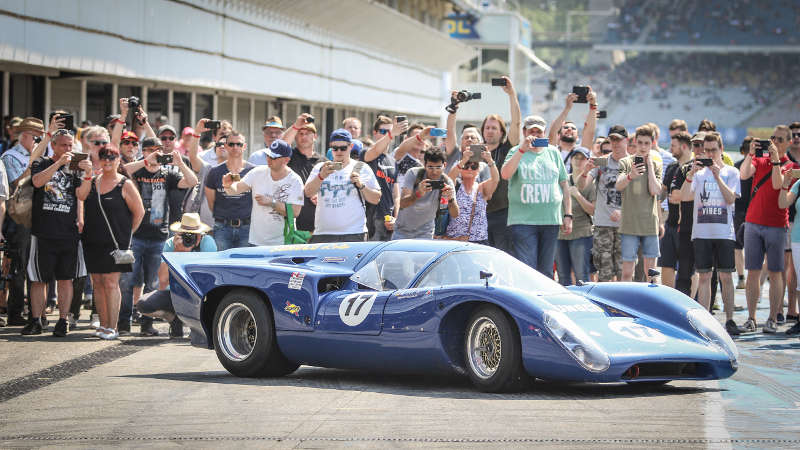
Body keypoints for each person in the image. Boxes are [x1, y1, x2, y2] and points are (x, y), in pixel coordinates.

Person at [121, 136, 198, 335]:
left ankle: (146, 325)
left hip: (158, 236)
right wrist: (146, 161)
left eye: (158, 150)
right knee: (128, 282)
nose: (155, 153)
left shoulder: (168, 173)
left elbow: (192, 181)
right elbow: (122, 170)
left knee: (153, 284)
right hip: (136, 235)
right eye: (149, 149)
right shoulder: (137, 171)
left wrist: (179, 162)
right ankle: (123, 324)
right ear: (143, 152)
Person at [21, 129, 92, 336]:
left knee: (65, 279)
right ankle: (36, 320)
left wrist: (88, 175)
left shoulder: (76, 167)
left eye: (70, 146)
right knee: (38, 279)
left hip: (68, 233)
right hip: (43, 232)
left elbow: (82, 194)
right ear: (54, 146)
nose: (68, 149)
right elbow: (37, 182)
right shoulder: (41, 162)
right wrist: (59, 163)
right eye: (63, 145)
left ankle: (63, 320)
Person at [77, 146, 144, 340]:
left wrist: (127, 234)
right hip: (92, 240)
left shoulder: (125, 184)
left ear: (118, 160)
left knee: (111, 283)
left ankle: (113, 327)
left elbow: (139, 213)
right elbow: (81, 196)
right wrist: (88, 175)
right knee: (97, 283)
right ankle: (103, 325)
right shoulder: (93, 180)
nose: (107, 161)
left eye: (112, 157)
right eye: (104, 157)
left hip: (116, 244)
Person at [680, 132, 741, 335]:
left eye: (714, 150)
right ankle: (705, 320)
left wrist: (717, 175)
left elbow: (731, 198)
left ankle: (730, 319)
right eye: (706, 150)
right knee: (704, 276)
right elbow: (684, 196)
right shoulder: (697, 173)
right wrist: (690, 175)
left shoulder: (731, 172)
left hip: (724, 232)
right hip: (702, 232)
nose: (710, 154)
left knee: (725, 276)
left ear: (721, 150)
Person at [740, 125, 799, 333]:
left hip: (776, 225)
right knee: (753, 273)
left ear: (789, 143)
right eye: (773, 138)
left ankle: (773, 318)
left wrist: (775, 160)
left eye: (780, 139)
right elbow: (745, 174)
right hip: (753, 222)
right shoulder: (760, 159)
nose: (775, 141)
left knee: (776, 273)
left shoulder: (790, 165)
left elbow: (777, 184)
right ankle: (751, 317)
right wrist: (750, 154)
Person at [501, 116, 571, 277]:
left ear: (544, 133)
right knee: (528, 269)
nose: (535, 135)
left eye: (538, 132)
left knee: (546, 270)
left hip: (550, 220)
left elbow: (564, 184)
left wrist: (568, 214)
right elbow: (505, 174)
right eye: (531, 131)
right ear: (524, 132)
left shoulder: (553, 152)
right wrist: (521, 150)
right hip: (523, 221)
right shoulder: (515, 151)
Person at [136, 213, 217, 339]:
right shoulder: (171, 245)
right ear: (179, 234)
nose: (189, 238)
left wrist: (188, 255)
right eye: (186, 235)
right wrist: (177, 253)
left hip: (199, 294)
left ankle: (198, 328)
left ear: (201, 235)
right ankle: (174, 319)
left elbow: (207, 279)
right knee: (143, 304)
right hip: (174, 293)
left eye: (194, 235)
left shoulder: (208, 243)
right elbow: (163, 282)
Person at [1, 117, 43, 327]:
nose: (38, 142)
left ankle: (34, 309)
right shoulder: (11, 157)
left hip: (37, 215)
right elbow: (16, 185)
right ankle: (15, 311)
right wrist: (34, 162)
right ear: (25, 136)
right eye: (36, 138)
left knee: (35, 265)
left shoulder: (39, 154)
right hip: (19, 217)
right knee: (18, 264)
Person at [304, 129, 380, 242]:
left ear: (351, 146)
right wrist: (321, 177)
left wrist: (361, 185)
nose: (339, 151)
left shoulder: (360, 167)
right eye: (335, 148)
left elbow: (376, 198)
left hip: (354, 233)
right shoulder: (320, 167)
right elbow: (307, 193)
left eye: (343, 148)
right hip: (323, 233)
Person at [223, 139, 304, 246]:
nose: (268, 159)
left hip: (283, 242)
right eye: (268, 155)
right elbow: (236, 190)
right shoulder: (258, 172)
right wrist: (227, 185)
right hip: (256, 241)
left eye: (273, 157)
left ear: (286, 160)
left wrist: (272, 202)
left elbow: (295, 212)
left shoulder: (295, 180)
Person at [579, 124, 628, 282]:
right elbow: (582, 185)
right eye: (612, 139)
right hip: (603, 224)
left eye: (618, 140)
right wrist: (585, 172)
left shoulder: (632, 163)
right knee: (604, 273)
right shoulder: (602, 162)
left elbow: (639, 196)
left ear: (626, 141)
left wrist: (624, 211)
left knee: (624, 272)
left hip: (626, 225)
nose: (615, 143)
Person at [615, 125, 662, 282]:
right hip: (629, 224)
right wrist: (631, 175)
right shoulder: (625, 162)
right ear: (634, 142)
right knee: (627, 272)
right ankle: (623, 304)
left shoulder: (656, 164)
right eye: (640, 142)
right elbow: (618, 185)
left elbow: (655, 191)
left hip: (649, 224)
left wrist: (648, 165)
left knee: (652, 274)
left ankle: (651, 304)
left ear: (652, 144)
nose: (642, 147)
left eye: (646, 143)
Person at [481, 77, 521, 254]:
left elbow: (517, 123)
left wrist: (512, 95)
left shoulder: (507, 149)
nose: (490, 131)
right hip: (479, 215)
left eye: (494, 128)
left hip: (503, 213)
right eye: (487, 128)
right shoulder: (475, 151)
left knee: (503, 256)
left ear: (502, 132)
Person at [205, 131, 256, 250]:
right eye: (231, 144)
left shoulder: (253, 171)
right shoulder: (214, 172)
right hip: (222, 227)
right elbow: (211, 203)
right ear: (226, 146)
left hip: (247, 228)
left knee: (245, 266)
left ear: (244, 146)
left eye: (239, 144)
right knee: (222, 266)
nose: (235, 147)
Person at [360, 116, 408, 241]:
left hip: (388, 219)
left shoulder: (392, 160)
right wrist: (392, 133)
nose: (387, 135)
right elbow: (375, 150)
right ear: (375, 134)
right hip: (371, 218)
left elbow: (396, 195)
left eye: (389, 131)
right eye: (383, 132)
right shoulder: (366, 152)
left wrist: (396, 217)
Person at [395, 148, 458, 240]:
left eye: (438, 167)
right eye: (430, 167)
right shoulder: (414, 174)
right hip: (402, 230)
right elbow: (403, 203)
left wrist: (451, 199)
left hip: (425, 232)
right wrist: (418, 194)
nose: (434, 172)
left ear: (444, 165)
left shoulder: (447, 182)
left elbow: (455, 214)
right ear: (424, 165)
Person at [556, 147, 595, 285]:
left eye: (582, 158)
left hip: (581, 234)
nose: (578, 161)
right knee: (562, 275)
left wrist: (578, 196)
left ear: (588, 161)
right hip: (560, 234)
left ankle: (586, 305)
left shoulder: (591, 183)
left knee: (581, 275)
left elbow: (593, 210)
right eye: (575, 158)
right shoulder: (562, 180)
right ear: (571, 160)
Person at [443, 145, 499, 243]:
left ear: (478, 170)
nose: (469, 169)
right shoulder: (456, 187)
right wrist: (463, 160)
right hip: (455, 239)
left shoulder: (482, 188)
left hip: (479, 240)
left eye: (474, 166)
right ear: (461, 169)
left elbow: (495, 179)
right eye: (466, 166)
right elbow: (449, 179)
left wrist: (490, 160)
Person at [660, 130, 693, 288]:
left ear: (684, 146)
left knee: (688, 271)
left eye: (674, 146)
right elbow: (664, 192)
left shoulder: (693, 168)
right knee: (666, 265)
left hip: (687, 226)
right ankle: (669, 299)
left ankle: (690, 301)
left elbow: (685, 195)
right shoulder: (672, 167)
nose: (670, 149)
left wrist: (678, 195)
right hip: (670, 224)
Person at [280, 113, 322, 233]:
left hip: (318, 226)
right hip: (293, 225)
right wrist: (296, 126)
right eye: (300, 133)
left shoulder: (324, 162)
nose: (303, 137)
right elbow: (281, 146)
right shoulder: (289, 157)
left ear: (315, 136)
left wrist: (320, 196)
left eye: (307, 133)